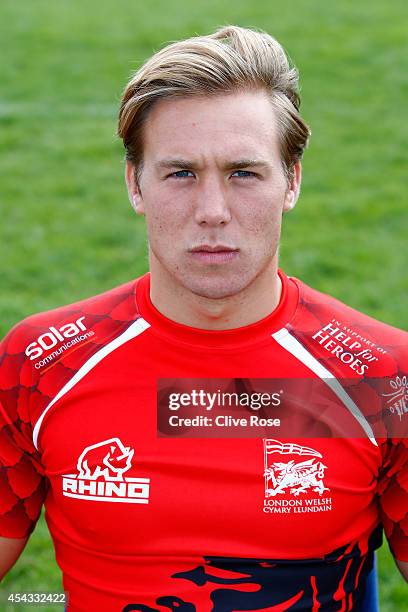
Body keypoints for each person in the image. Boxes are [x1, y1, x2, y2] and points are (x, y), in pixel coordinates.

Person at [0, 25, 407, 611]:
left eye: (243, 172)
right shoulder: (39, 363)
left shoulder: (384, 379)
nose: (212, 212)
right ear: (134, 184)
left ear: (291, 182)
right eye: (180, 173)